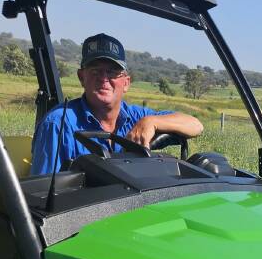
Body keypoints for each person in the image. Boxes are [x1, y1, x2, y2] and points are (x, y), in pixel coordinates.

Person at [30, 33, 204, 175]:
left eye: (113, 72)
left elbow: (195, 125)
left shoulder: (138, 117)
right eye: (95, 71)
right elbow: (41, 194)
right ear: (82, 77)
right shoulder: (57, 124)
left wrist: (153, 122)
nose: (104, 79)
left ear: (126, 83)